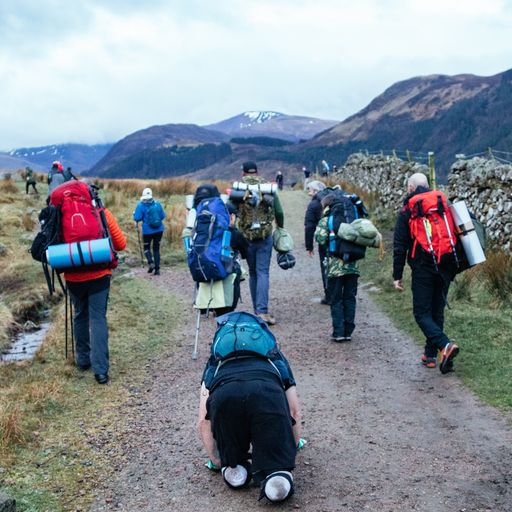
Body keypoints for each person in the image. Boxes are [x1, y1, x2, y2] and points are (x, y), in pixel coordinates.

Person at [198, 314, 301, 502]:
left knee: (230, 437)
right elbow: (294, 411)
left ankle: (234, 468)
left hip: (225, 395)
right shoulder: (275, 358)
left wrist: (216, 459)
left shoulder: (215, 362)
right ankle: (277, 477)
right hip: (267, 392)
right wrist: (289, 449)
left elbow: (204, 420)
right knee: (274, 445)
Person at [393, 172, 460, 373]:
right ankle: (431, 356)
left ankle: (445, 345)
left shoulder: (408, 210)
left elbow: (399, 246)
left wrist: (397, 276)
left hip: (423, 267)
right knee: (436, 310)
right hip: (446, 264)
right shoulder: (442, 204)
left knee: (421, 313)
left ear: (411, 188)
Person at [64, 184, 127, 385]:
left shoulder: (61, 214)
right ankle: (100, 371)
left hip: (73, 276)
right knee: (97, 318)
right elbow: (121, 244)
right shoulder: (100, 213)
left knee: (80, 314)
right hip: (99, 274)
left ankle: (83, 360)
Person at [231, 161, 285, 325]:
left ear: (244, 173)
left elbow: (231, 210)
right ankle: (262, 311)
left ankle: (257, 312)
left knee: (253, 273)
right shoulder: (266, 186)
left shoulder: (238, 188)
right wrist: (280, 227)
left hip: (246, 236)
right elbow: (279, 211)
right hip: (264, 235)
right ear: (257, 172)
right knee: (263, 272)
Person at [315, 193, 360, 341]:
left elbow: (320, 239)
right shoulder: (352, 216)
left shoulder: (326, 220)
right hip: (353, 266)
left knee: (336, 299)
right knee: (349, 297)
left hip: (335, 268)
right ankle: (348, 331)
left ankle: (339, 332)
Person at [304, 180, 329, 304]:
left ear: (315, 191)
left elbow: (309, 226)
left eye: (310, 189)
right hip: (339, 237)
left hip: (324, 241)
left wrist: (309, 246)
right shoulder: (333, 200)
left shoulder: (313, 204)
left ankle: (329, 295)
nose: (308, 192)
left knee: (325, 265)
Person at [133, 188, 166, 275]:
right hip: (159, 229)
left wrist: (134, 214)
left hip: (147, 231)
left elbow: (137, 218)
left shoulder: (140, 205)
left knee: (146, 248)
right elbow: (162, 216)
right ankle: (157, 269)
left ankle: (151, 263)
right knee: (156, 249)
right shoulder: (158, 204)